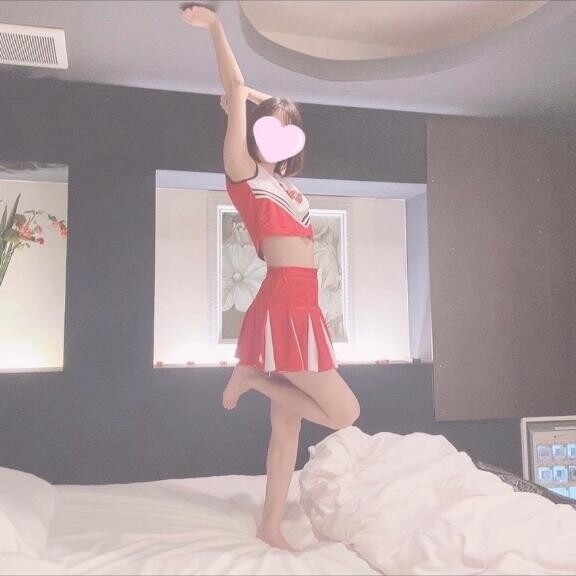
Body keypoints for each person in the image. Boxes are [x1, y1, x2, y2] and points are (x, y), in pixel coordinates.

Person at [182, 4, 361, 551]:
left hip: (305, 305)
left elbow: (269, 110)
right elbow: (236, 86)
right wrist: (217, 28)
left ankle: (270, 525)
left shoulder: (290, 188)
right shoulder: (243, 172)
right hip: (285, 299)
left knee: (288, 428)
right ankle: (252, 378)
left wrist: (275, 108)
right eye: (266, 128)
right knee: (346, 413)